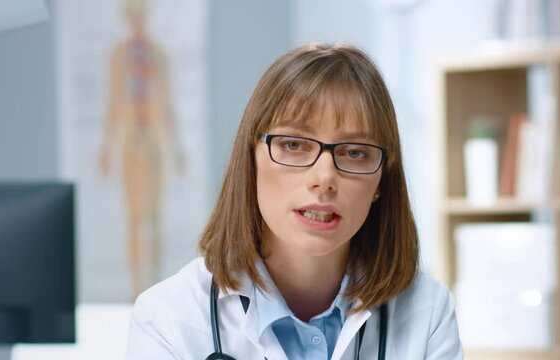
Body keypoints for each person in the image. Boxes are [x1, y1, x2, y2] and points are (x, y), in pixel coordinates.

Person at [126, 43, 463, 359]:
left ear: (381, 181)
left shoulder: (427, 311)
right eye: (294, 145)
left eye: (355, 152)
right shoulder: (168, 318)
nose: (324, 178)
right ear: (251, 160)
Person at [98, 0, 186, 301]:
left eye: (141, 14)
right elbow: (112, 103)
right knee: (135, 215)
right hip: (130, 141)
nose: (137, 20)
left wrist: (178, 150)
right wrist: (106, 148)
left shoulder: (160, 56)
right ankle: (137, 287)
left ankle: (157, 283)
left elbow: (169, 104)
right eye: (132, 15)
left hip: (155, 140)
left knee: (156, 214)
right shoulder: (119, 57)